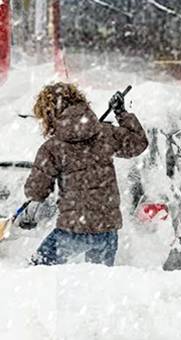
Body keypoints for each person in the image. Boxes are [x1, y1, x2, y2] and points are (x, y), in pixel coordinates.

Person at [20, 82, 148, 266]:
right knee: (98, 286)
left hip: (72, 229)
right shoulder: (105, 133)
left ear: (48, 115)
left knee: (35, 273)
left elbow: (35, 191)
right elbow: (138, 143)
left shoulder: (52, 148)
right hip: (107, 230)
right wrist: (121, 113)